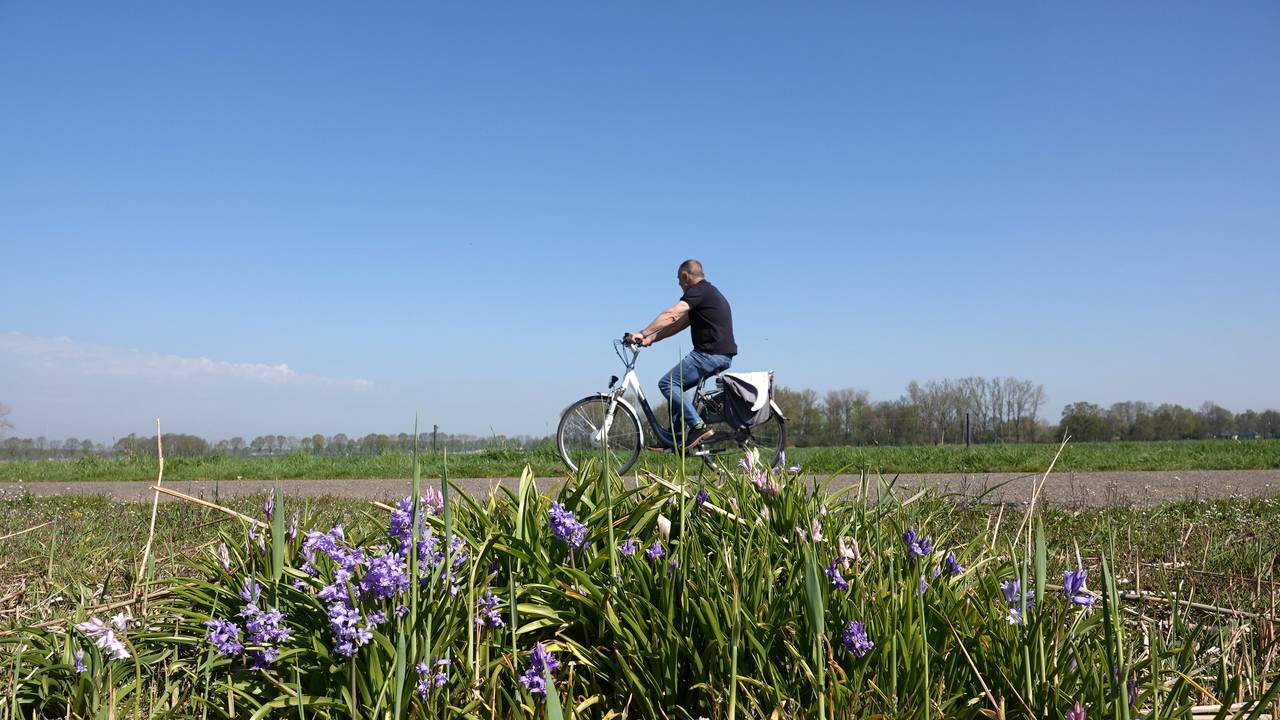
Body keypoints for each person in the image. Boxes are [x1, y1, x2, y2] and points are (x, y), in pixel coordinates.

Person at [625, 259, 737, 450]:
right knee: (677, 388)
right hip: (720, 354)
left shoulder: (699, 291)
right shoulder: (707, 293)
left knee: (667, 384)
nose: (679, 286)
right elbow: (678, 324)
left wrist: (642, 332)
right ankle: (675, 439)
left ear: (685, 277)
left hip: (709, 354)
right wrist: (651, 339)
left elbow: (672, 314)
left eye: (679, 281)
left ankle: (698, 426)